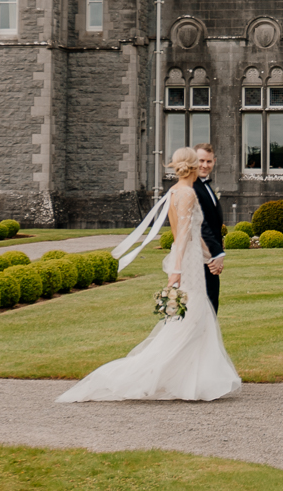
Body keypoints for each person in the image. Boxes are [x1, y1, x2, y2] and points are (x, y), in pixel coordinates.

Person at [56, 148, 242, 403]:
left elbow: (193, 235)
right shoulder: (187, 193)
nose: (204, 166)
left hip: (193, 258)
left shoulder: (175, 191)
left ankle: (192, 380)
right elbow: (184, 235)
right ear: (192, 166)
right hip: (187, 263)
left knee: (196, 319)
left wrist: (211, 256)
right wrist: (176, 271)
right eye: (199, 162)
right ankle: (151, 374)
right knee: (194, 318)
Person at [194, 142, 226, 311]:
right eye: (200, 161)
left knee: (211, 306)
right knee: (204, 308)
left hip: (210, 258)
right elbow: (201, 225)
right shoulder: (192, 187)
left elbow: (214, 224)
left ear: (214, 161)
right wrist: (216, 254)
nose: (204, 165)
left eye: (208, 161)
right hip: (201, 258)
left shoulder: (206, 187)